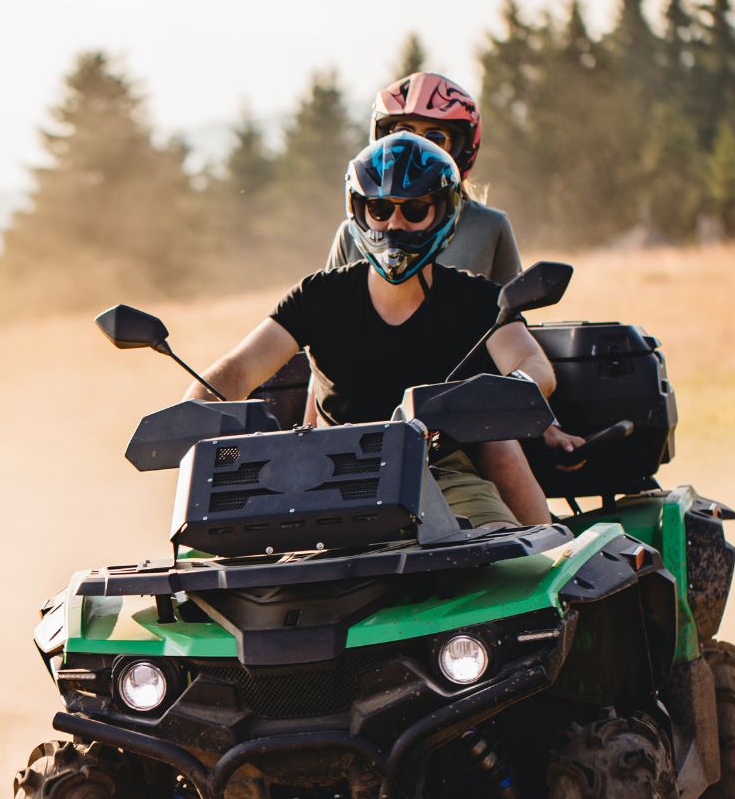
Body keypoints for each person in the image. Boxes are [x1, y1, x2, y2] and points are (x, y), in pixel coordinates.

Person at [187, 133, 582, 530]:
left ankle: (548, 558)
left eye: (413, 210)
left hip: (443, 473)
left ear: (443, 212)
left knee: (499, 552)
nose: (394, 223)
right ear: (359, 211)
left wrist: (502, 389)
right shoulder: (319, 296)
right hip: (326, 482)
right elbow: (238, 370)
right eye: (379, 208)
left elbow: (534, 364)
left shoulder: (476, 299)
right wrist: (192, 409)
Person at [325, 71, 521, 283]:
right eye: (403, 132)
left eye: (435, 138)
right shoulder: (353, 232)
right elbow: (328, 306)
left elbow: (510, 308)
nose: (415, 147)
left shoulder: (490, 226)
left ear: (461, 149)